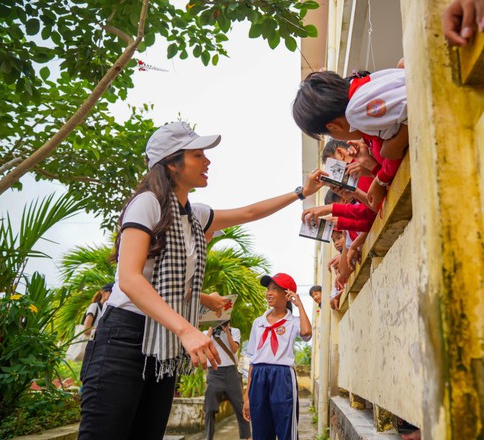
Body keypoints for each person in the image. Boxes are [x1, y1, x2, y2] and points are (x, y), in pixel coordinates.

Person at [78, 122, 325, 440]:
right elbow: (128, 278)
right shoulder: (147, 203)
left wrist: (301, 192)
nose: (207, 161)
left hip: (161, 345)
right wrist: (186, 328)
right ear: (171, 162)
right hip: (124, 338)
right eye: (197, 155)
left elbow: (249, 212)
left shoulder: (195, 215)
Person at [292, 68, 406, 210]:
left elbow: (413, 100)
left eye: (329, 134)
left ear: (334, 127)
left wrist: (392, 149)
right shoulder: (361, 87)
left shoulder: (355, 112)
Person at [242, 273, 312, 440]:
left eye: (275, 289)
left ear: (287, 294)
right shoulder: (258, 322)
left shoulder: (293, 321)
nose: (269, 293)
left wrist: (299, 303)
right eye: (268, 289)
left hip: (282, 377)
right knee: (260, 431)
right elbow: (252, 359)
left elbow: (307, 332)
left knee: (285, 428)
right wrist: (247, 396)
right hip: (258, 375)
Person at [203, 321, 251, 440]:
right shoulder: (206, 333)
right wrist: (211, 329)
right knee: (209, 409)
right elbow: (203, 348)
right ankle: (208, 438)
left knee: (240, 408)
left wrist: (227, 331)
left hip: (231, 373)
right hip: (214, 373)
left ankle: (248, 437)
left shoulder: (234, 331)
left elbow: (234, 349)